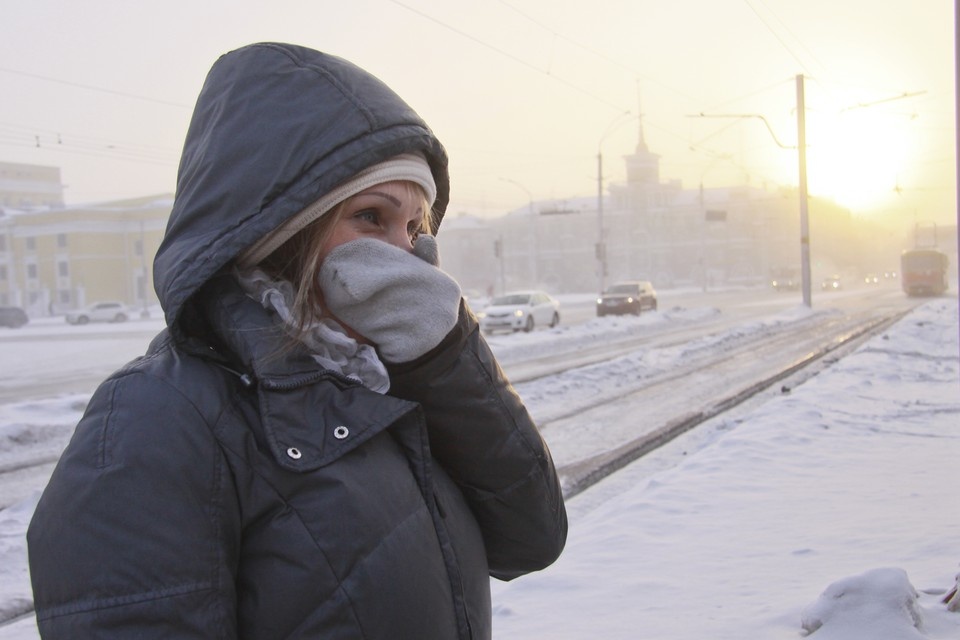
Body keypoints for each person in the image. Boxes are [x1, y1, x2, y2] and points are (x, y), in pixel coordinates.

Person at [27, 42, 567, 639]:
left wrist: (442, 352)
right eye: (371, 217)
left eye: (415, 228)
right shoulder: (154, 418)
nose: (404, 256)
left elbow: (530, 536)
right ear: (281, 234)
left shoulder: (382, 381)